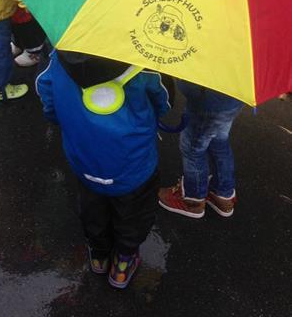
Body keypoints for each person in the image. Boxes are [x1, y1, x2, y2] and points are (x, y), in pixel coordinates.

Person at [36, 50, 171, 289]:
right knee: (133, 213)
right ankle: (122, 264)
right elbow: (163, 102)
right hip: (133, 163)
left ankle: (99, 256)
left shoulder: (58, 58)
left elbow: (48, 100)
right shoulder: (145, 63)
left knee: (92, 207)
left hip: (85, 159)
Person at [158, 80, 244, 219]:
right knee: (219, 142)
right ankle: (223, 193)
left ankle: (193, 200)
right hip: (234, 96)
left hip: (207, 99)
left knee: (193, 149)